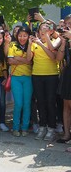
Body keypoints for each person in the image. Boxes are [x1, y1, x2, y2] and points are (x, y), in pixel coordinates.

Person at [27, 21, 59, 141]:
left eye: (46, 27)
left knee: (50, 102)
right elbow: (29, 58)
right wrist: (30, 45)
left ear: (50, 31)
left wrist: (41, 43)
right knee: (40, 102)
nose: (43, 29)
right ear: (39, 31)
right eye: (41, 28)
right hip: (37, 75)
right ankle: (42, 127)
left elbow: (53, 57)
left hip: (51, 75)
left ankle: (51, 128)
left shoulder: (54, 41)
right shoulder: (35, 42)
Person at [7, 26, 33, 137]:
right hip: (15, 78)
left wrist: (18, 58)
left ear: (28, 36)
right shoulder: (12, 45)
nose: (22, 38)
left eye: (25, 36)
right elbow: (10, 60)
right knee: (18, 104)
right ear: (17, 36)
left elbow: (30, 60)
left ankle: (25, 128)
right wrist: (26, 61)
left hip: (28, 78)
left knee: (27, 104)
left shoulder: (31, 45)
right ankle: (15, 127)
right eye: (20, 35)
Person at [56, 14, 71, 149]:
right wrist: (64, 42)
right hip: (67, 73)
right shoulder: (65, 39)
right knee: (66, 104)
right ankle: (67, 134)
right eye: (67, 24)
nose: (68, 26)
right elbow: (58, 58)